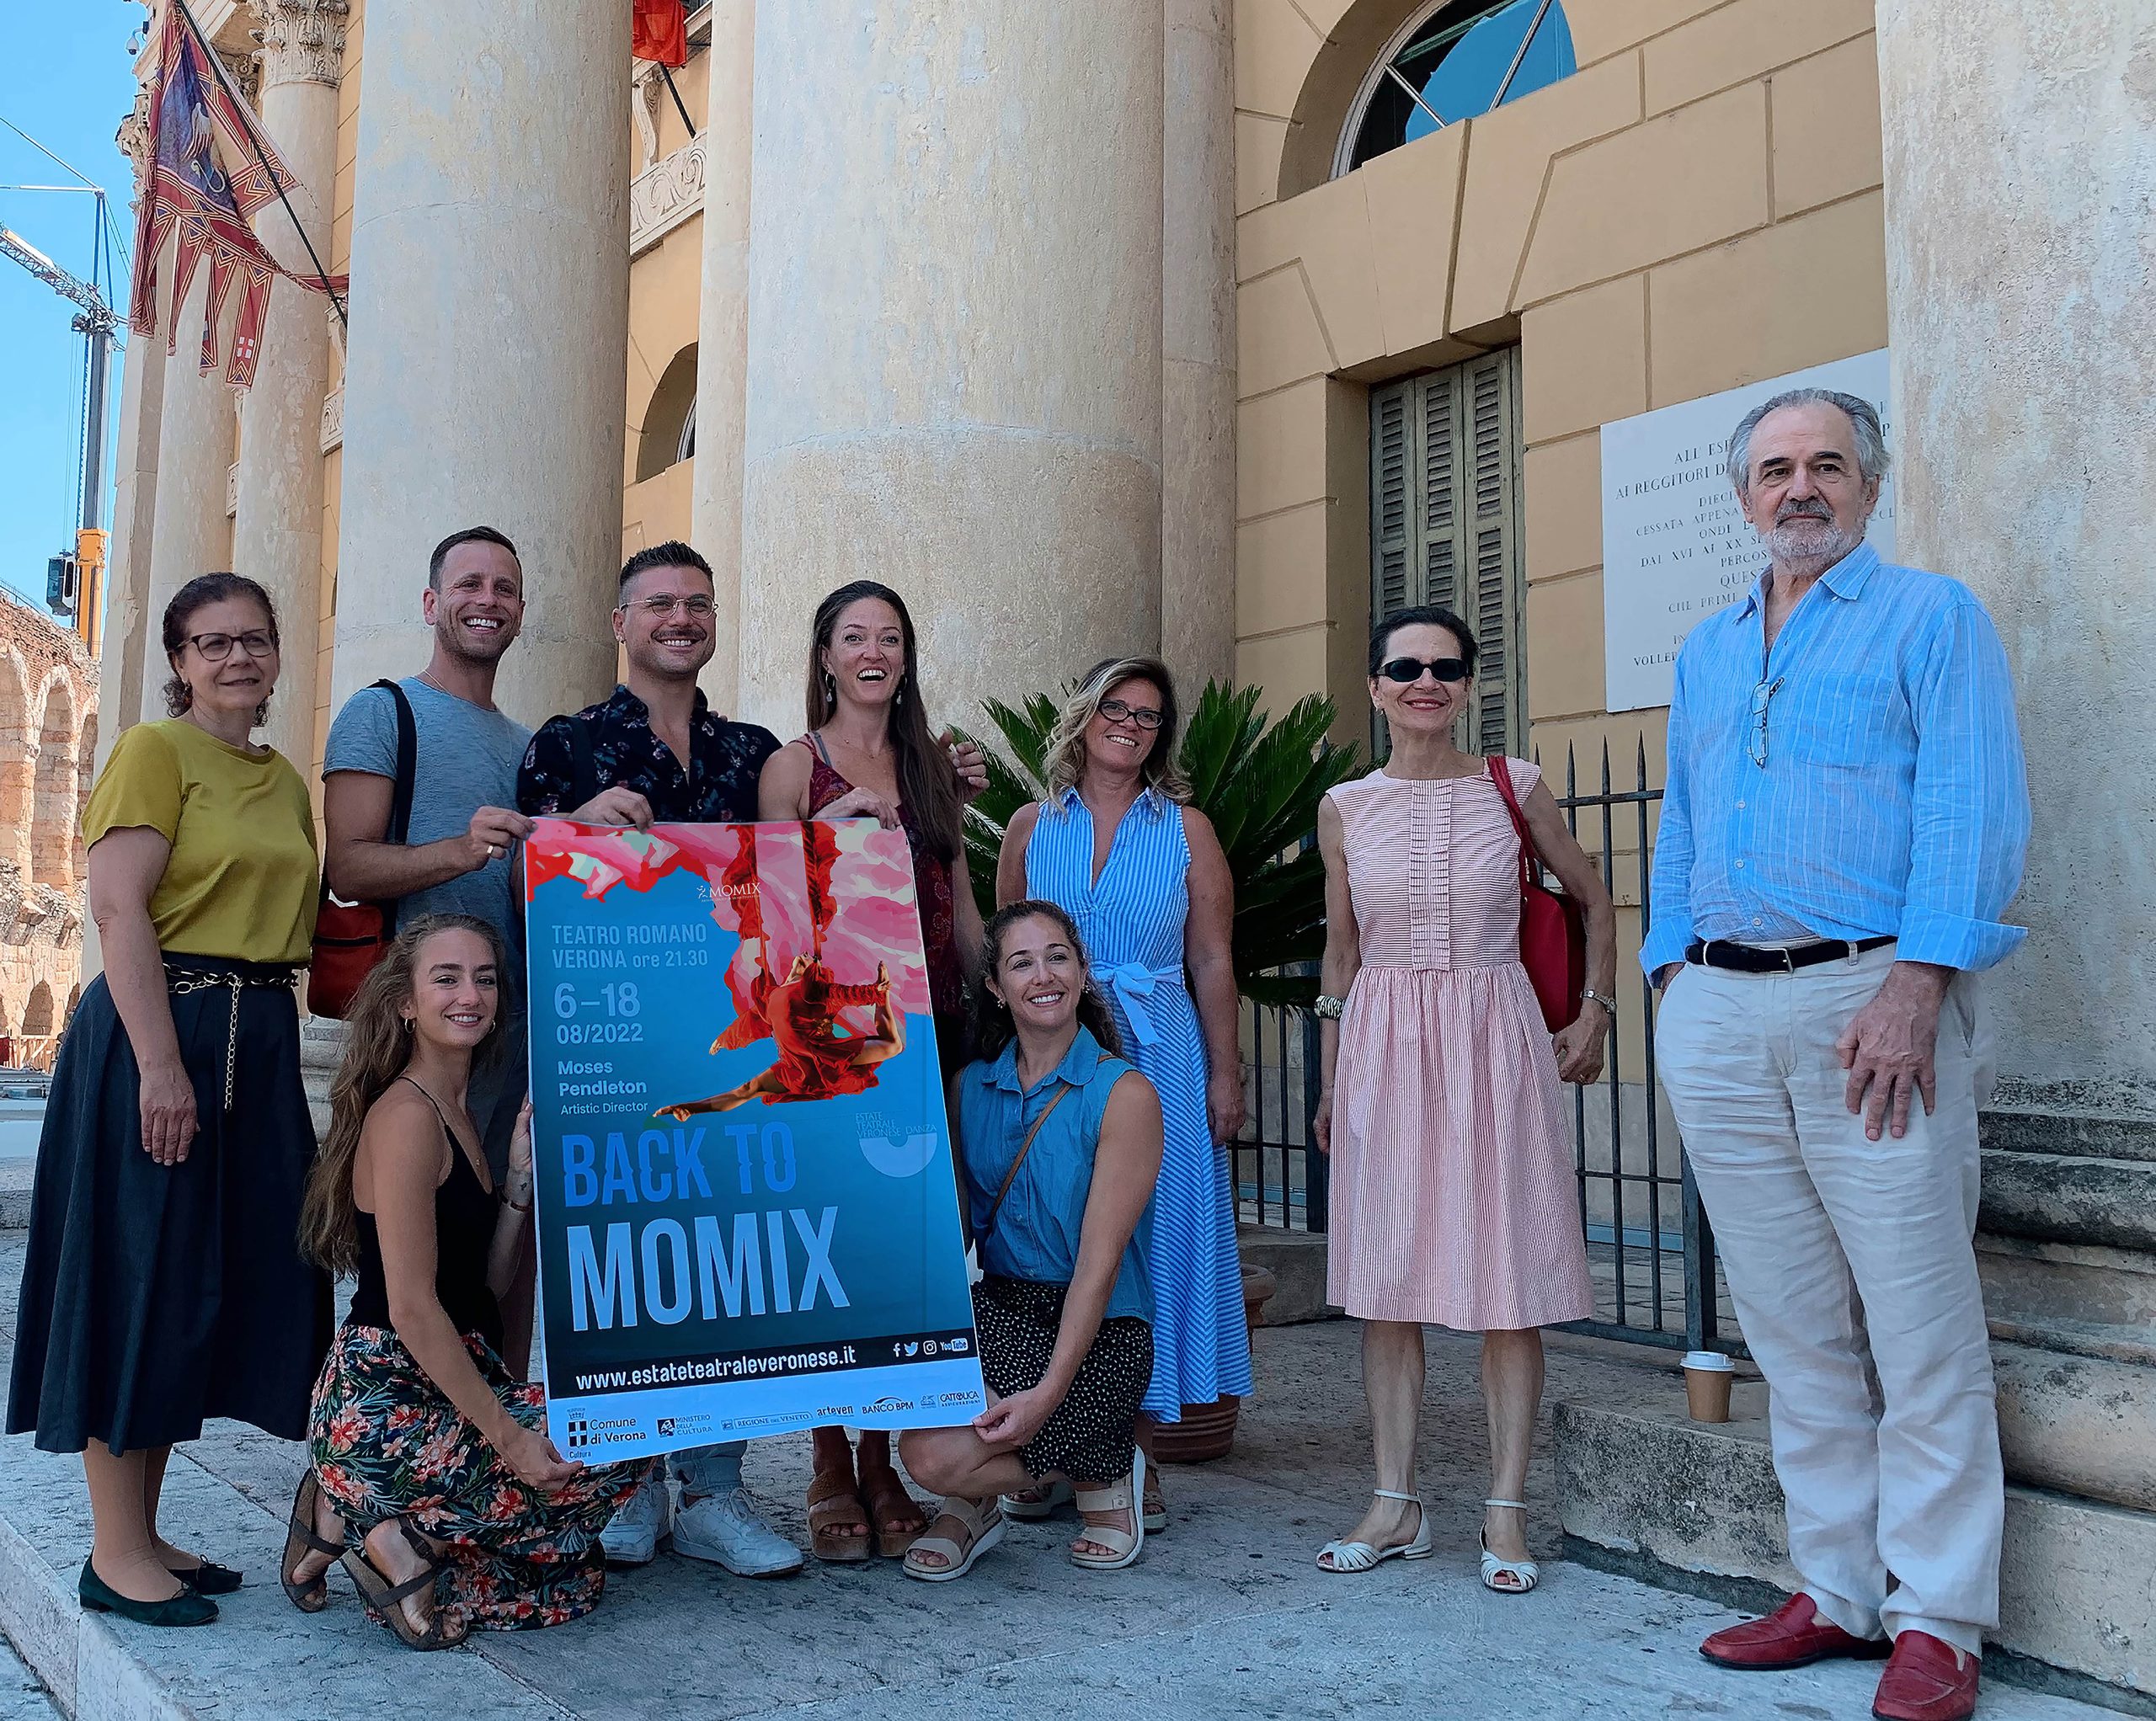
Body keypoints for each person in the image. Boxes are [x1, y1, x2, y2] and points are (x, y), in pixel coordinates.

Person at [1643, 390, 2029, 1721]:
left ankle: (1940, 1618)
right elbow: (1681, 821)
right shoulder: (1705, 648)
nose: (1798, 488)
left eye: (1824, 466)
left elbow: (1972, 806)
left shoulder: (1932, 618)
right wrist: (1666, 980)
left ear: (1867, 483)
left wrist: (1922, 980)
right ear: (1743, 496)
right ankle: (1839, 1589)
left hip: (1872, 1002)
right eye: (1773, 471)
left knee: (1917, 1321)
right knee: (1792, 1326)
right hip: (1721, 1011)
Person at [7, 573, 333, 1627]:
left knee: (199, 1281)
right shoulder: (156, 752)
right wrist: (158, 1065)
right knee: (136, 1273)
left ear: (277, 651)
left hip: (257, 1037)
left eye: (254, 639)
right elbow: (117, 907)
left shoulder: (283, 780)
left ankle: (146, 1533)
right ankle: (112, 1551)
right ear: (181, 660)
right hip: (164, 1028)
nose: (237, 657)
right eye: (211, 643)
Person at [1310, 604, 1614, 1592]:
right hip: (1385, 1048)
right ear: (1374, 685)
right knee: (1387, 1285)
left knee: (1507, 1281)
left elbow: (1592, 895)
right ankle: (1394, 1503)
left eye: (1445, 667)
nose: (1424, 681)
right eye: (1404, 666)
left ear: (1469, 683)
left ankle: (1504, 1509)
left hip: (1495, 1042)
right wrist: (1329, 1076)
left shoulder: (1513, 785)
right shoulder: (1344, 806)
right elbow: (1342, 950)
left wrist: (1596, 1011)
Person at [514, 540, 799, 1580]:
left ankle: (716, 1489)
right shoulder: (567, 744)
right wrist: (570, 831)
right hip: (611, 1043)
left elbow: (804, 884)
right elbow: (524, 888)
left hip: (732, 1043)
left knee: (725, 1259)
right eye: (660, 604)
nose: (681, 618)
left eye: (698, 604)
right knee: (623, 1252)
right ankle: (629, 1475)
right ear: (622, 624)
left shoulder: (756, 750)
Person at [282, 917, 647, 1648]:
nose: (470, 994)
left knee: (574, 1570)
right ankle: (372, 1513)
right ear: (406, 1002)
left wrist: (516, 1186)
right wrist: (510, 1438)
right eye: (446, 977)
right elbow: (415, 1309)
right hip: (388, 1397)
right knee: (598, 1451)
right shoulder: (408, 1116)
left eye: (484, 978)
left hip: (449, 1378)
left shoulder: (460, 1111)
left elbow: (480, 1285)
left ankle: (375, 1524)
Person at [758, 578, 986, 1561]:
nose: (872, 650)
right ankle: (825, 1461)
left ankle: (885, 1456)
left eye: (889, 636)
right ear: (824, 656)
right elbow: (767, 916)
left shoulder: (934, 769)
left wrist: (998, 995)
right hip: (834, 1043)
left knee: (904, 1251)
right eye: (854, 635)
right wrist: (824, 842)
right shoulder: (789, 767)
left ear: (905, 657)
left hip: (929, 1037)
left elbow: (961, 897)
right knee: (828, 1252)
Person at [995, 657, 1246, 1532]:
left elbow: (1212, 958)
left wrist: (1225, 1071)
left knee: (1153, 1248)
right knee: (1056, 1242)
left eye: (1147, 715)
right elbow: (1008, 949)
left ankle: (1129, 1454)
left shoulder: (1188, 829)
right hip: (1056, 1055)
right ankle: (1058, 1446)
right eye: (1116, 707)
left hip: (1161, 1053)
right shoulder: (1031, 824)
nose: (1130, 725)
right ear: (1083, 715)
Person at [322, 525, 537, 1365]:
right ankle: (372, 1450)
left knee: (506, 1253)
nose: (487, 600)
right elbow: (346, 862)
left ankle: (499, 1440)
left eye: (505, 589)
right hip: (414, 1032)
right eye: (470, 584)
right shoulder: (383, 711)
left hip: (507, 1034)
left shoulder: (526, 746)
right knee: (407, 1262)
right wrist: (460, 847)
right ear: (431, 603)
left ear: (520, 612)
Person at [898, 902, 1163, 1581]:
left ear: (1081, 970)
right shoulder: (966, 1091)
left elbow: (1099, 1274)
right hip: (1002, 1310)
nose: (1042, 975)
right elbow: (948, 1238)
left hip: (1100, 1327)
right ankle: (995, 1494)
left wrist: (1045, 1395)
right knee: (927, 1452)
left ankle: (1102, 1461)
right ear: (995, 986)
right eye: (1021, 962)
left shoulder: (1124, 1093)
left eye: (1057, 956)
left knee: (966, 1447)